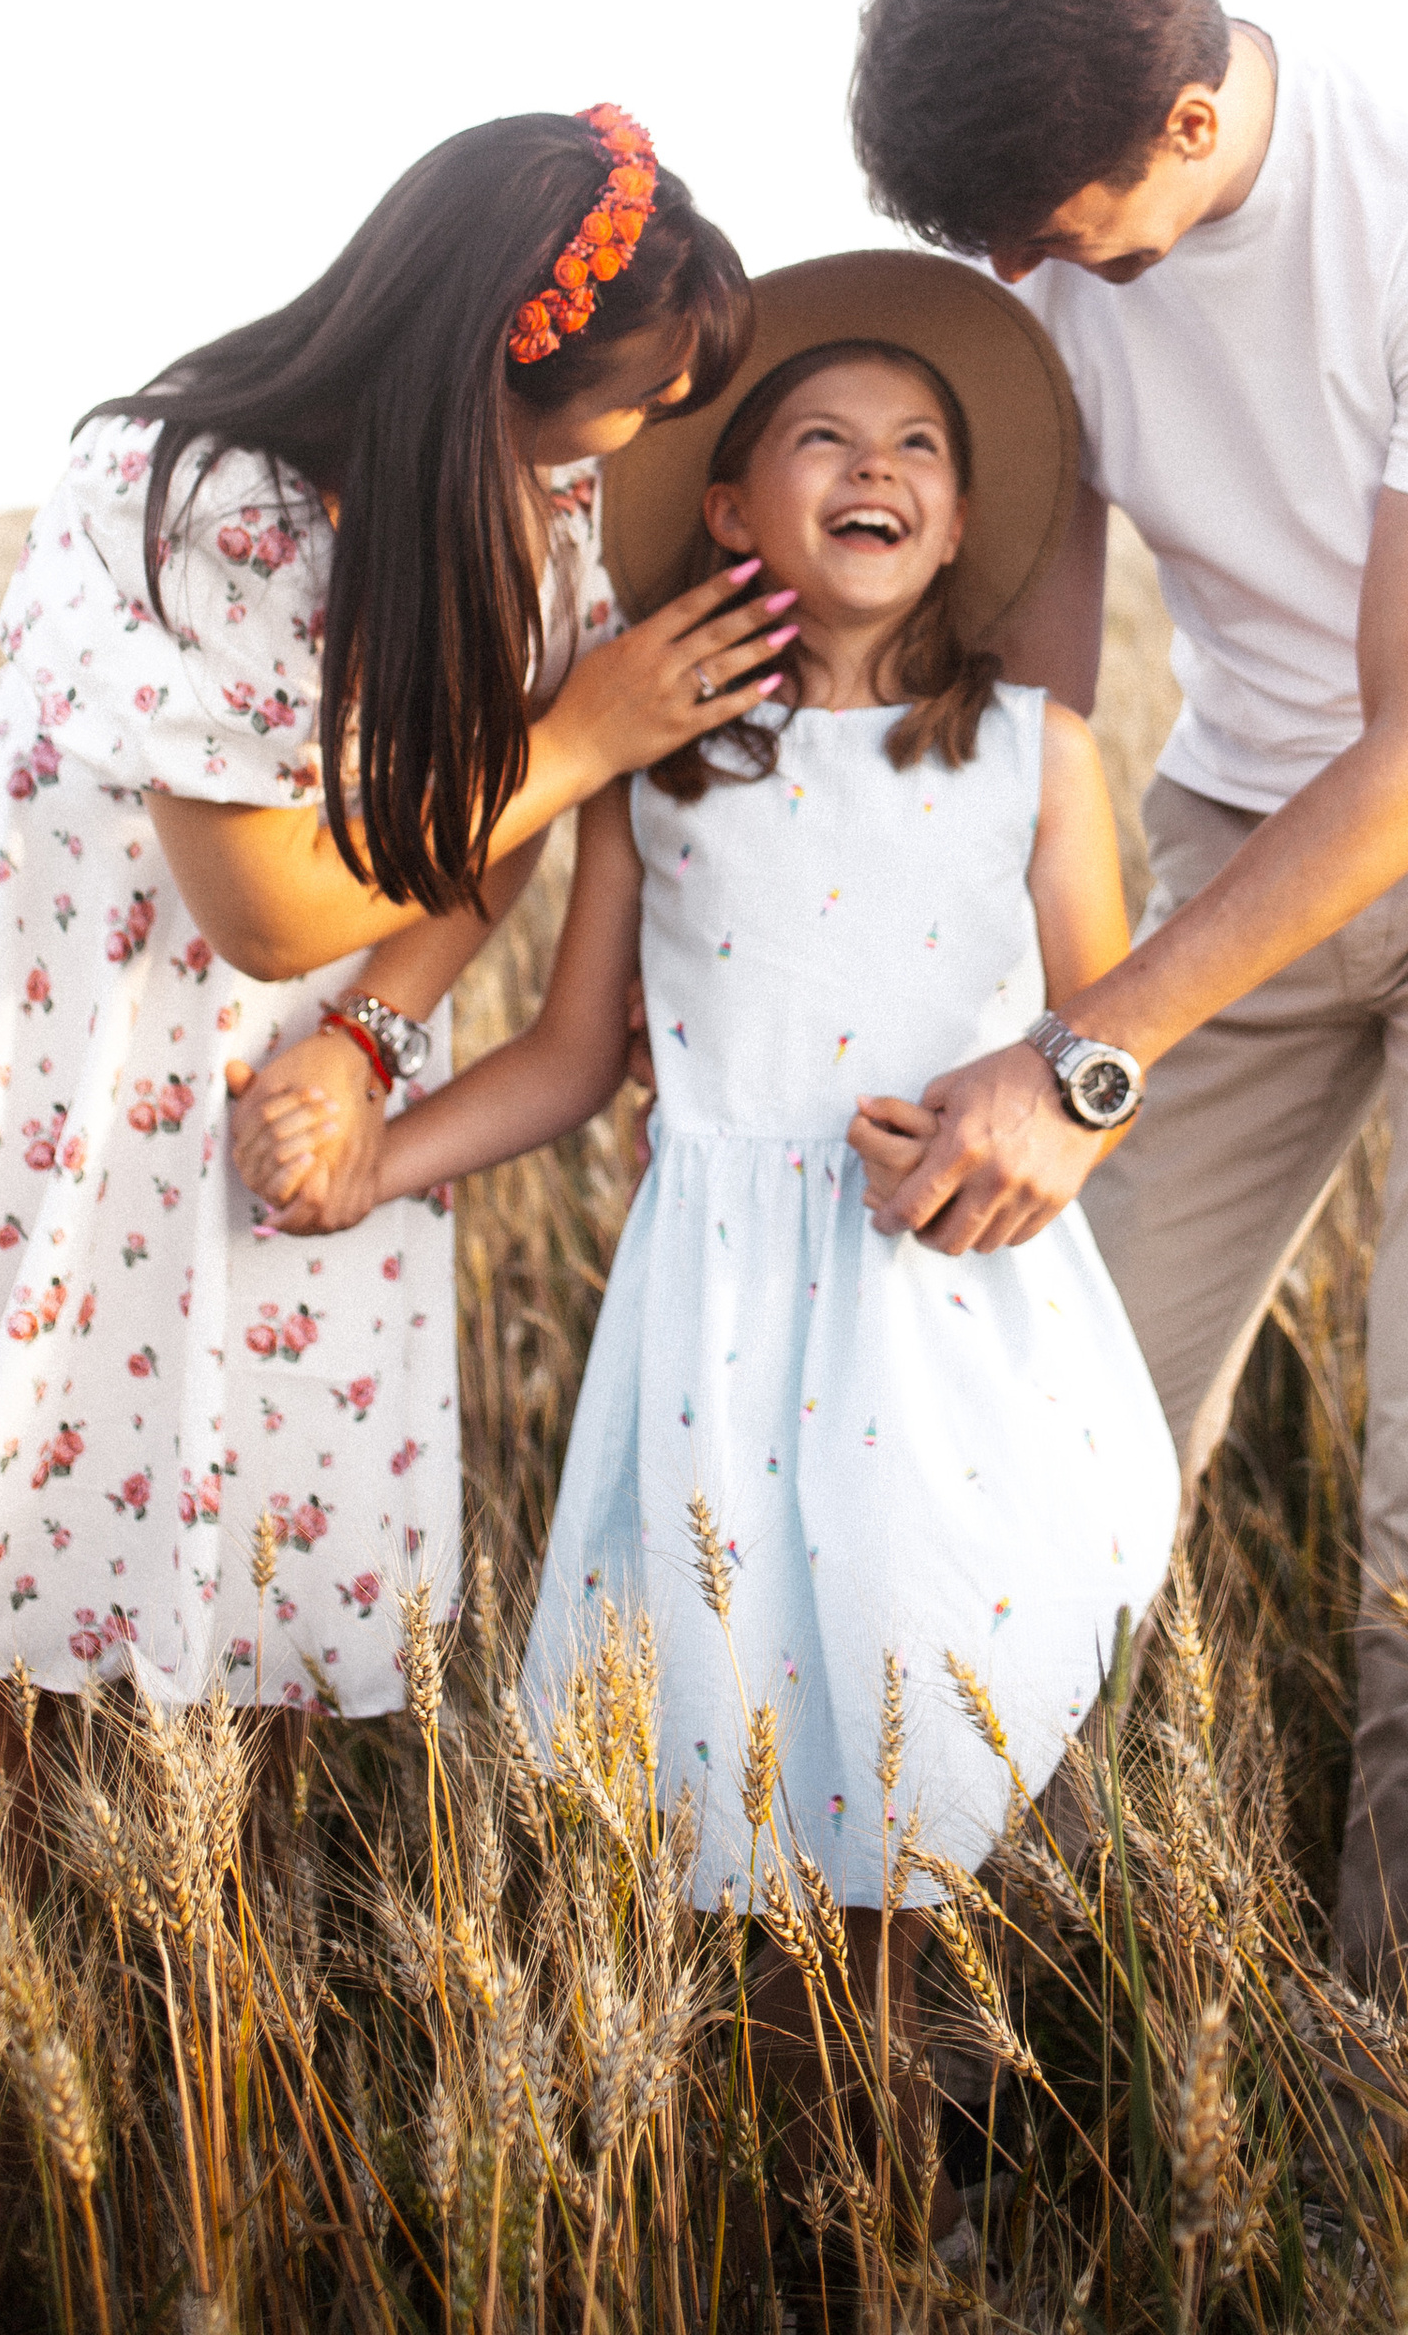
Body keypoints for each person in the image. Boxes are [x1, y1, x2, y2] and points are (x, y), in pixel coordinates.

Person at [841, 0, 1408, 2066]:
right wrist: (977, 1007)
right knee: (1076, 1435)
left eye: (1041, 226)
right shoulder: (1035, 261)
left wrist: (1095, 1051)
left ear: (1187, 125)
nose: (1011, 281)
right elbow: (1041, 689)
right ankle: (968, 2032)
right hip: (1240, 817)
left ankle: (1382, 2112)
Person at [0, 109, 786, 1787]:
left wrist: (365, 1048)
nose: (641, 440)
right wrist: (585, 739)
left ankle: (201, 1953)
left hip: (309, 1026)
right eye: (631, 396)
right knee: (14, 1440)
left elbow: (465, 851)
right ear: (490, 359)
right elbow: (267, 905)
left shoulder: (545, 507)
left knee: (269, 1470)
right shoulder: (196, 486)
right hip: (64, 1001)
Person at [243, 255, 1178, 2132]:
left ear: (963, 518)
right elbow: (581, 1057)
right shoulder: (658, 773)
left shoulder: (1038, 757)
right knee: (751, 1760)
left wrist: (1041, 1113)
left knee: (933, 1739)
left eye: (920, 443)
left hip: (951, 1314)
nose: (878, 463)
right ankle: (780, 2173)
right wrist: (372, 1158)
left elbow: (1109, 1053)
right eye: (821, 435)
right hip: (729, 1333)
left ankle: (921, 2153)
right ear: (733, 510)